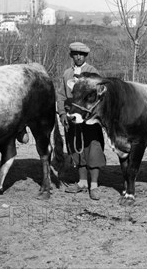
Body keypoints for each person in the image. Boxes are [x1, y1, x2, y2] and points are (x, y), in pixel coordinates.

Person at [57, 42, 106, 200]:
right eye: (75, 54)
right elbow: (62, 96)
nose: (78, 57)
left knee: (93, 148)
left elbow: (98, 96)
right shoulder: (66, 74)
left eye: (82, 55)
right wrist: (63, 114)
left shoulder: (92, 72)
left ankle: (94, 186)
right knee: (76, 148)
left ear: (86, 56)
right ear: (71, 56)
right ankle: (82, 182)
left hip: (89, 118)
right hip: (72, 118)